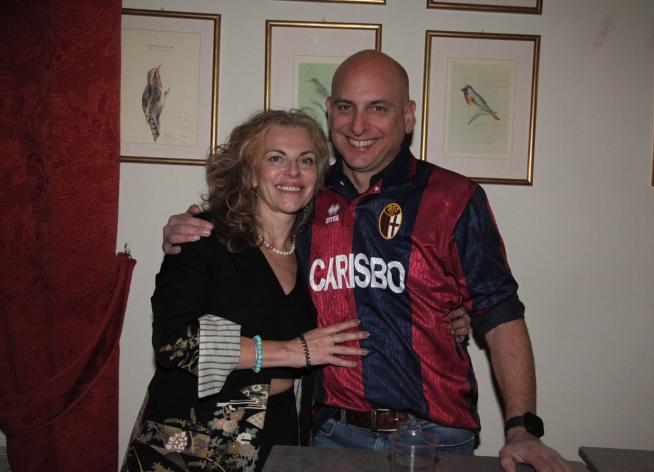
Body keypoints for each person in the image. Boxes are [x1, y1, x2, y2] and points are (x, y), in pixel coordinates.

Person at [163, 51, 572, 472]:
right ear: (330, 112)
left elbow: (499, 312)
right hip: (332, 434)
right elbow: (244, 240)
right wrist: (190, 227)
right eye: (346, 107)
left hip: (435, 437)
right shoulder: (305, 199)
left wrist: (522, 429)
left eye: (378, 108)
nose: (358, 126)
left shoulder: (453, 198)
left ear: (407, 116)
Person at [122, 110, 370, 472]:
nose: (293, 172)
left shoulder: (315, 249)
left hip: (281, 433)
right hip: (195, 441)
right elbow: (174, 342)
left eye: (306, 160)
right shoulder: (203, 237)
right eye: (276, 158)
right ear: (251, 173)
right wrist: (294, 351)